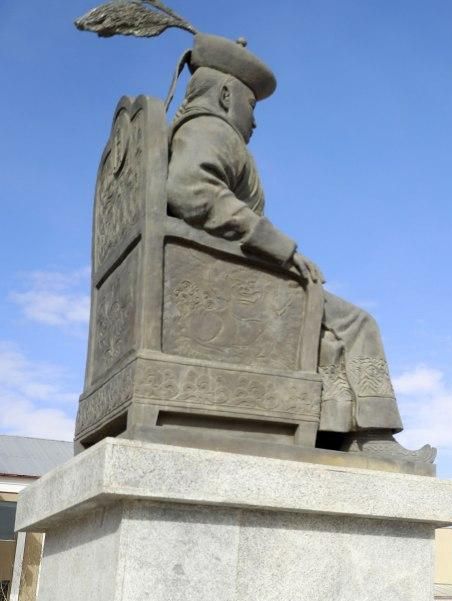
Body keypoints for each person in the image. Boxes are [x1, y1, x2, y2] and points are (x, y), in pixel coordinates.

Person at [164, 34, 433, 464]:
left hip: (224, 271)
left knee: (328, 333)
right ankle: (374, 436)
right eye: (252, 106)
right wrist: (283, 251)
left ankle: (335, 429)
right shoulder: (211, 129)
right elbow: (189, 189)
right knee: (359, 323)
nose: (255, 121)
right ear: (227, 93)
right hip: (231, 276)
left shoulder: (196, 130)